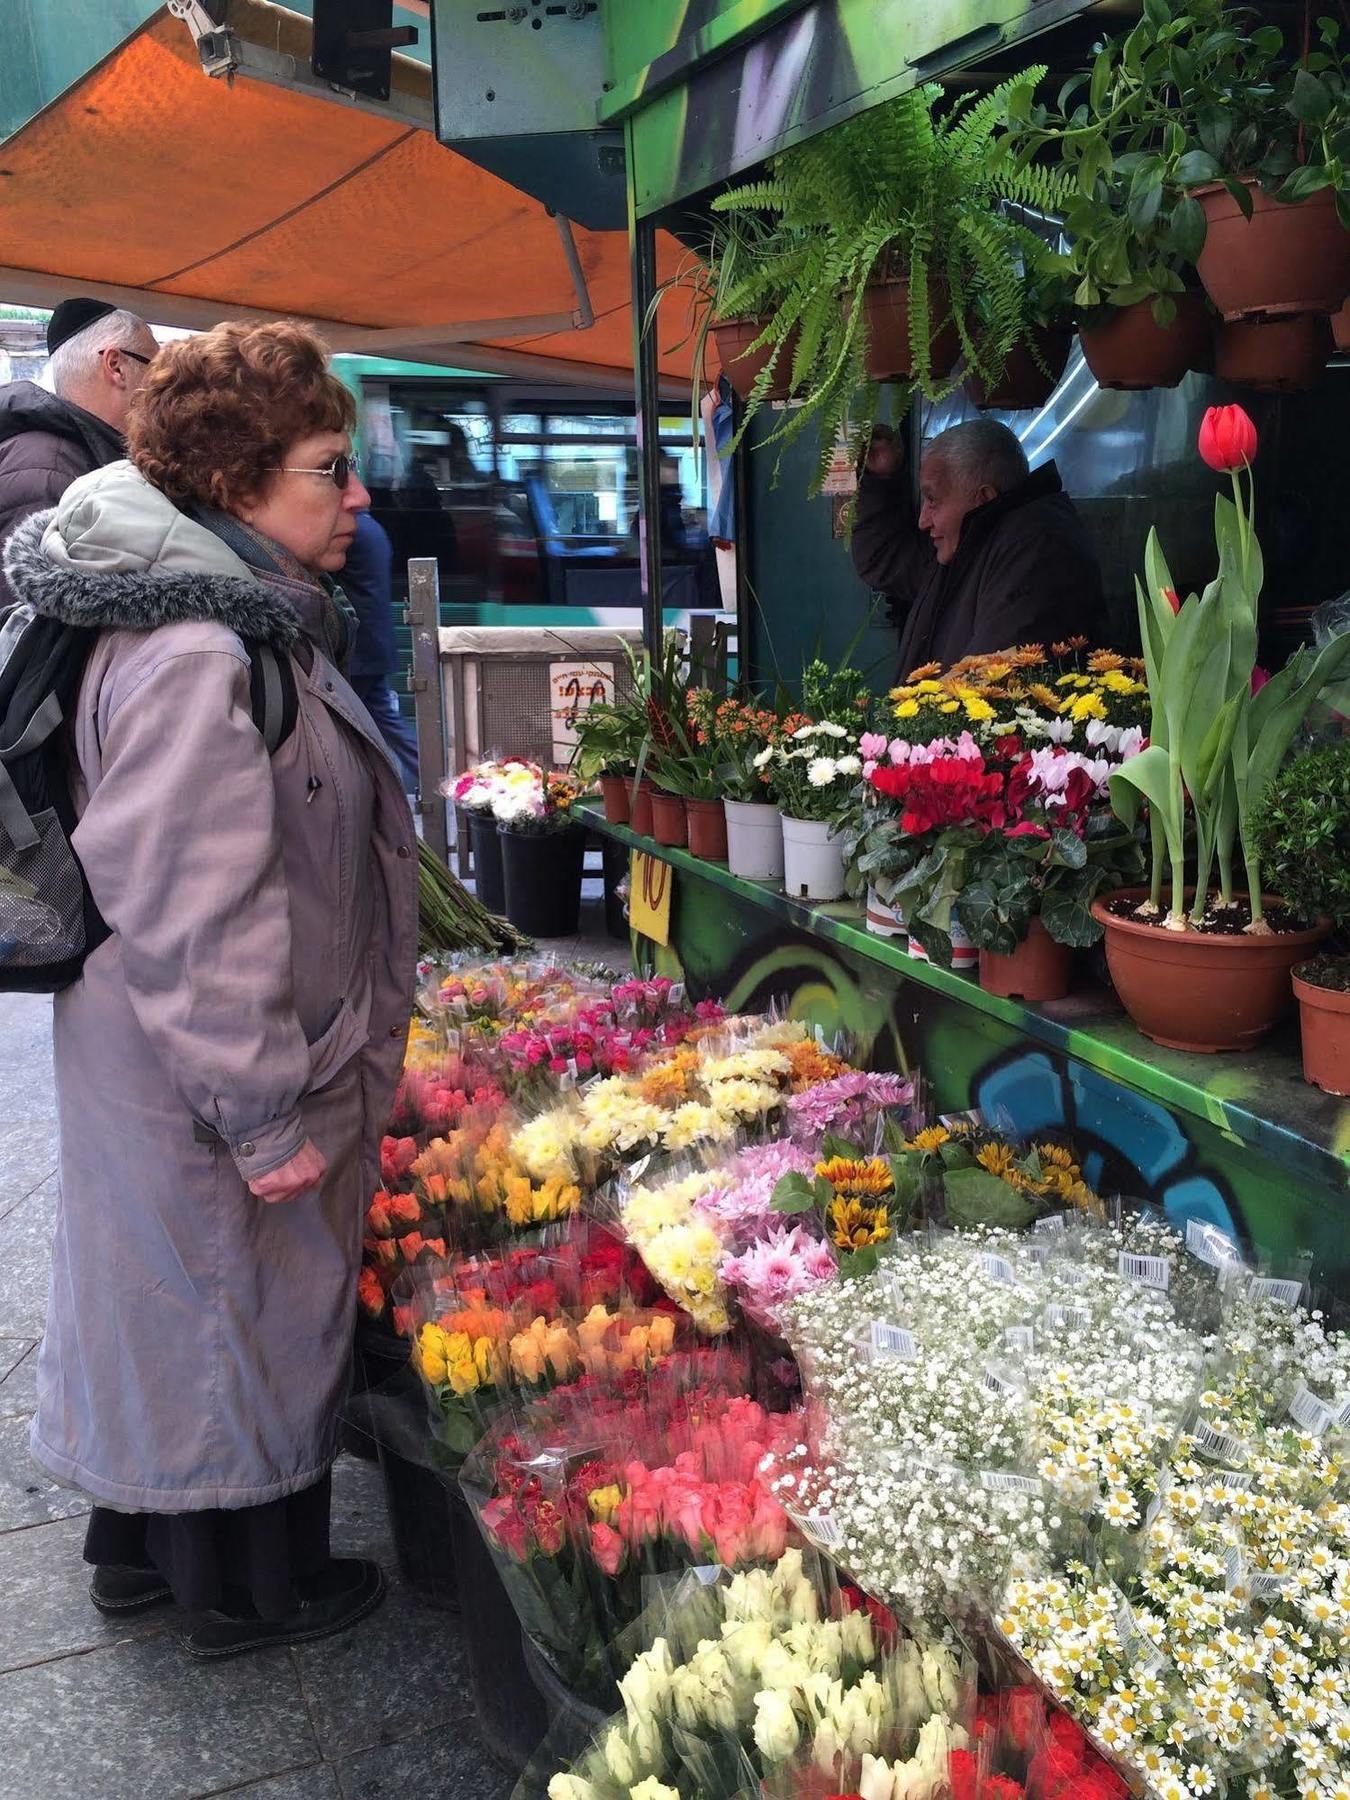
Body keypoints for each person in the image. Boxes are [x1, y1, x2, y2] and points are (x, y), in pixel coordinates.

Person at [1, 320, 418, 1658]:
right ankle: (246, 1594)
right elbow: (198, 909)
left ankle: (140, 1552)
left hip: (169, 1060)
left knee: (180, 1319)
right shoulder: (199, 648)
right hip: (212, 1071)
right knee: (223, 1332)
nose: (355, 498)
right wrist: (261, 1116)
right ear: (235, 490)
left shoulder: (220, 615)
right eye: (324, 470)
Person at [851, 417, 1104, 676]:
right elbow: (886, 559)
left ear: (984, 498)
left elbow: (990, 681)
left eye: (933, 500)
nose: (923, 521)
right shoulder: (965, 544)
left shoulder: (1038, 551)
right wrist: (880, 478)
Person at [0, 301, 158, 615]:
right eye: (158, 368)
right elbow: (33, 629)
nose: (164, 386)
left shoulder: (69, 453)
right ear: (116, 366)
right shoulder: (51, 468)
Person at [342, 507, 419, 791]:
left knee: (346, 722)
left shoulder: (352, 532)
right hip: (374, 644)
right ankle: (429, 772)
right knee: (385, 719)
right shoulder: (373, 529)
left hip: (360, 648)